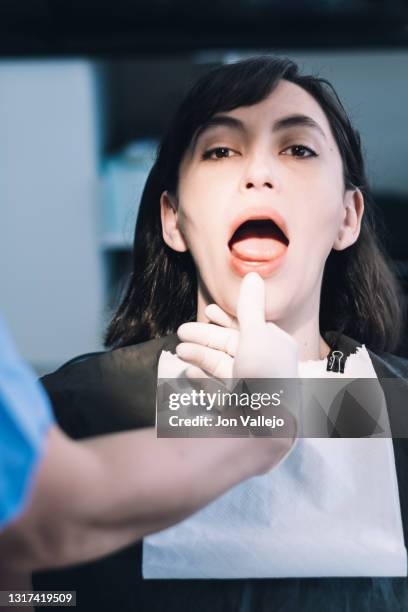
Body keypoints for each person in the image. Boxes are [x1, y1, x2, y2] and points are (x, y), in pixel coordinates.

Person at [33, 56, 408, 610]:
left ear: (348, 218)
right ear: (172, 219)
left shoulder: (398, 408)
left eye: (298, 149)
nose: (258, 173)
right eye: (221, 150)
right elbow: (19, 597)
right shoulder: (79, 409)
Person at [0, 306, 295, 580]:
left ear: (342, 244)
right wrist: (258, 430)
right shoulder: (75, 399)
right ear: (176, 243)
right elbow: (32, 520)